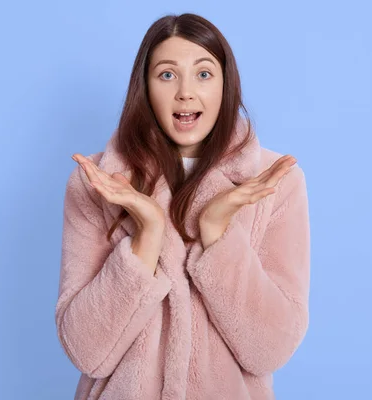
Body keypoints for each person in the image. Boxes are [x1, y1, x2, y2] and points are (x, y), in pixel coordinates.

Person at [55, 12, 311, 400]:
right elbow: (86, 351)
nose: (185, 92)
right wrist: (147, 237)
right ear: (145, 87)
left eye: (204, 74)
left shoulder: (276, 183)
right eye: (167, 74)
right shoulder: (97, 183)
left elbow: (271, 348)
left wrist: (217, 234)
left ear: (226, 85)